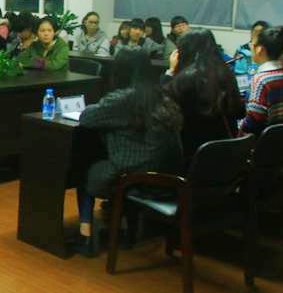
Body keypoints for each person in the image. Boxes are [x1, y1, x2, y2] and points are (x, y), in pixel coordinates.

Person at [74, 50, 183, 256]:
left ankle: (85, 236)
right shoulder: (161, 93)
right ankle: (125, 231)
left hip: (133, 172)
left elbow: (87, 118)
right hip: (165, 171)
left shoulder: (123, 98)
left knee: (85, 170)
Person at [165, 29, 245, 160]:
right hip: (226, 152)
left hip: (191, 154)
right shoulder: (226, 73)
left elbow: (164, 112)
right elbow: (240, 112)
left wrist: (170, 72)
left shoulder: (185, 79)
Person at [240, 26, 283, 135]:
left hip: (266, 141)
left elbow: (253, 122)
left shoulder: (261, 80)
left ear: (260, 49)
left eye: (252, 44)